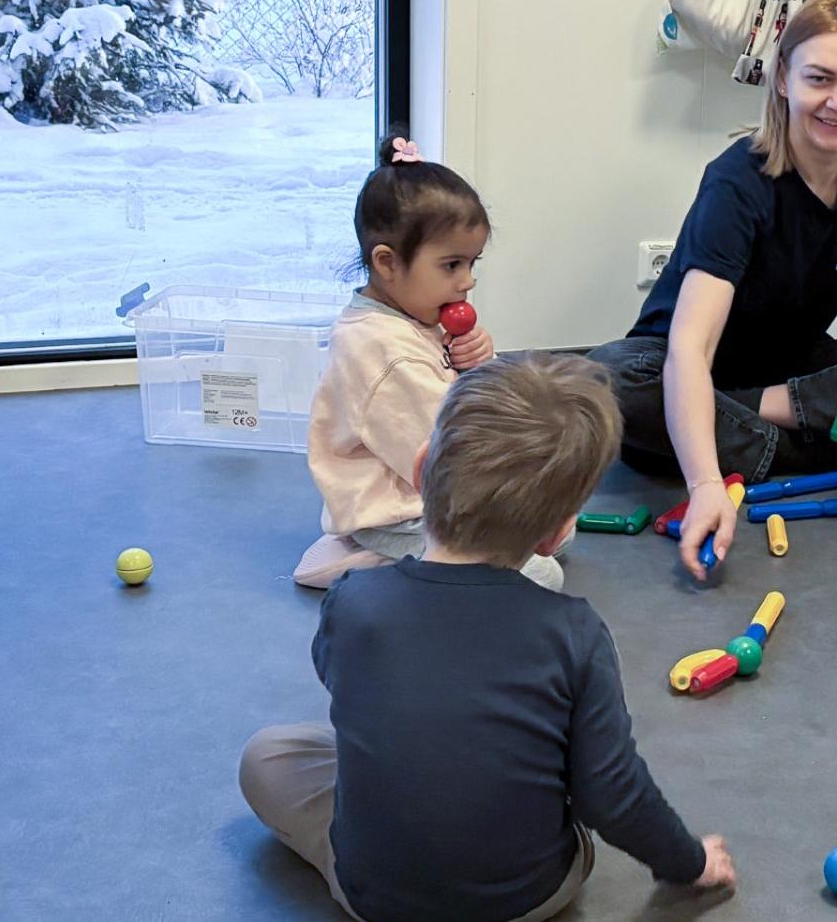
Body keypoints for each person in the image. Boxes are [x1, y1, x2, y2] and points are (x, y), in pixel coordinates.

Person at [242, 353, 738, 921]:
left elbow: (343, 689)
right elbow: (612, 794)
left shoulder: (353, 602)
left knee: (268, 756)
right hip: (527, 898)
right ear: (556, 534)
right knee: (564, 765)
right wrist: (689, 862)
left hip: (376, 900)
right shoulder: (575, 632)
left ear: (423, 469)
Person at [589, 0, 837, 578]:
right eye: (820, 79)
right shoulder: (736, 182)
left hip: (795, 368)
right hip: (689, 365)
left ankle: (753, 428)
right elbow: (689, 350)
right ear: (782, 79)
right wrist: (703, 486)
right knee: (605, 380)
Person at [293, 135, 566, 591]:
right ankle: (376, 564)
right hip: (402, 512)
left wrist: (478, 364)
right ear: (387, 263)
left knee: (556, 535)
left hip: (428, 490)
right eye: (452, 265)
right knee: (541, 574)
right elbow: (444, 457)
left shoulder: (410, 316)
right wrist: (518, 494)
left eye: (472, 263)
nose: (468, 280)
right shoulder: (382, 350)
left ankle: (399, 557)